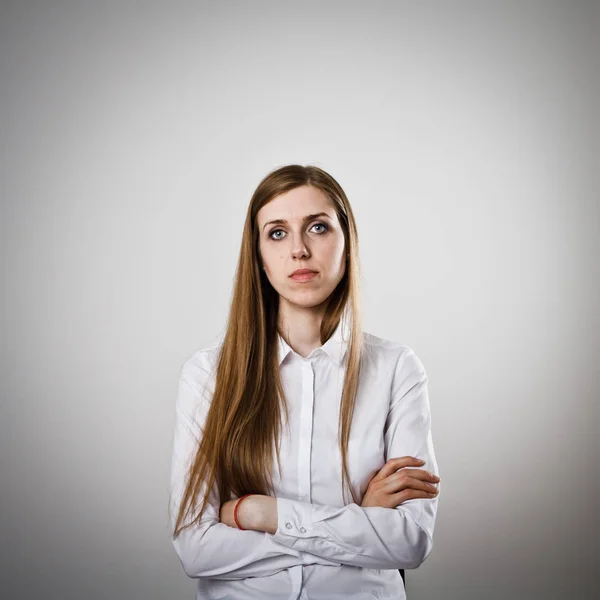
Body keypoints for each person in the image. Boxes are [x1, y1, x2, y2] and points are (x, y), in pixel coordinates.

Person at [168, 164, 441, 600]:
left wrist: (264, 512)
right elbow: (196, 548)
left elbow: (410, 540)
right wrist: (358, 522)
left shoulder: (396, 369)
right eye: (277, 233)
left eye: (317, 227)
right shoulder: (208, 375)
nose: (298, 250)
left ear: (347, 243)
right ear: (257, 255)